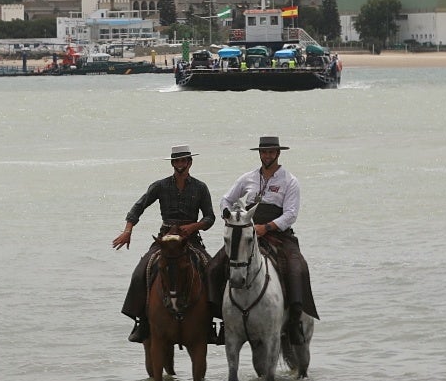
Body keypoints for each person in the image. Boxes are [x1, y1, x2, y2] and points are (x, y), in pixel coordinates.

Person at [210, 135, 319, 338]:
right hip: (248, 234)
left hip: (279, 235)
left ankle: (295, 321)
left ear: (278, 153)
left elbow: (291, 214)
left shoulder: (290, 181)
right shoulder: (248, 178)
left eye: (271, 152)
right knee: (214, 266)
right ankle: (219, 319)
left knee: (297, 267)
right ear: (259, 153)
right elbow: (226, 199)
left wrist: (267, 227)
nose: (267, 155)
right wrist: (228, 215)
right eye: (264, 152)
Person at [113, 144, 215, 343]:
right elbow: (138, 207)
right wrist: (127, 231)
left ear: (190, 162)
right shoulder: (160, 186)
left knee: (213, 271)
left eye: (183, 160)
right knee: (140, 271)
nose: (180, 164)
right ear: (172, 164)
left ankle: (213, 322)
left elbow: (209, 217)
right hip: (165, 238)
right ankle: (142, 322)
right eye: (176, 161)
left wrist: (194, 226)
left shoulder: (200, 187)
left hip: (190, 240)